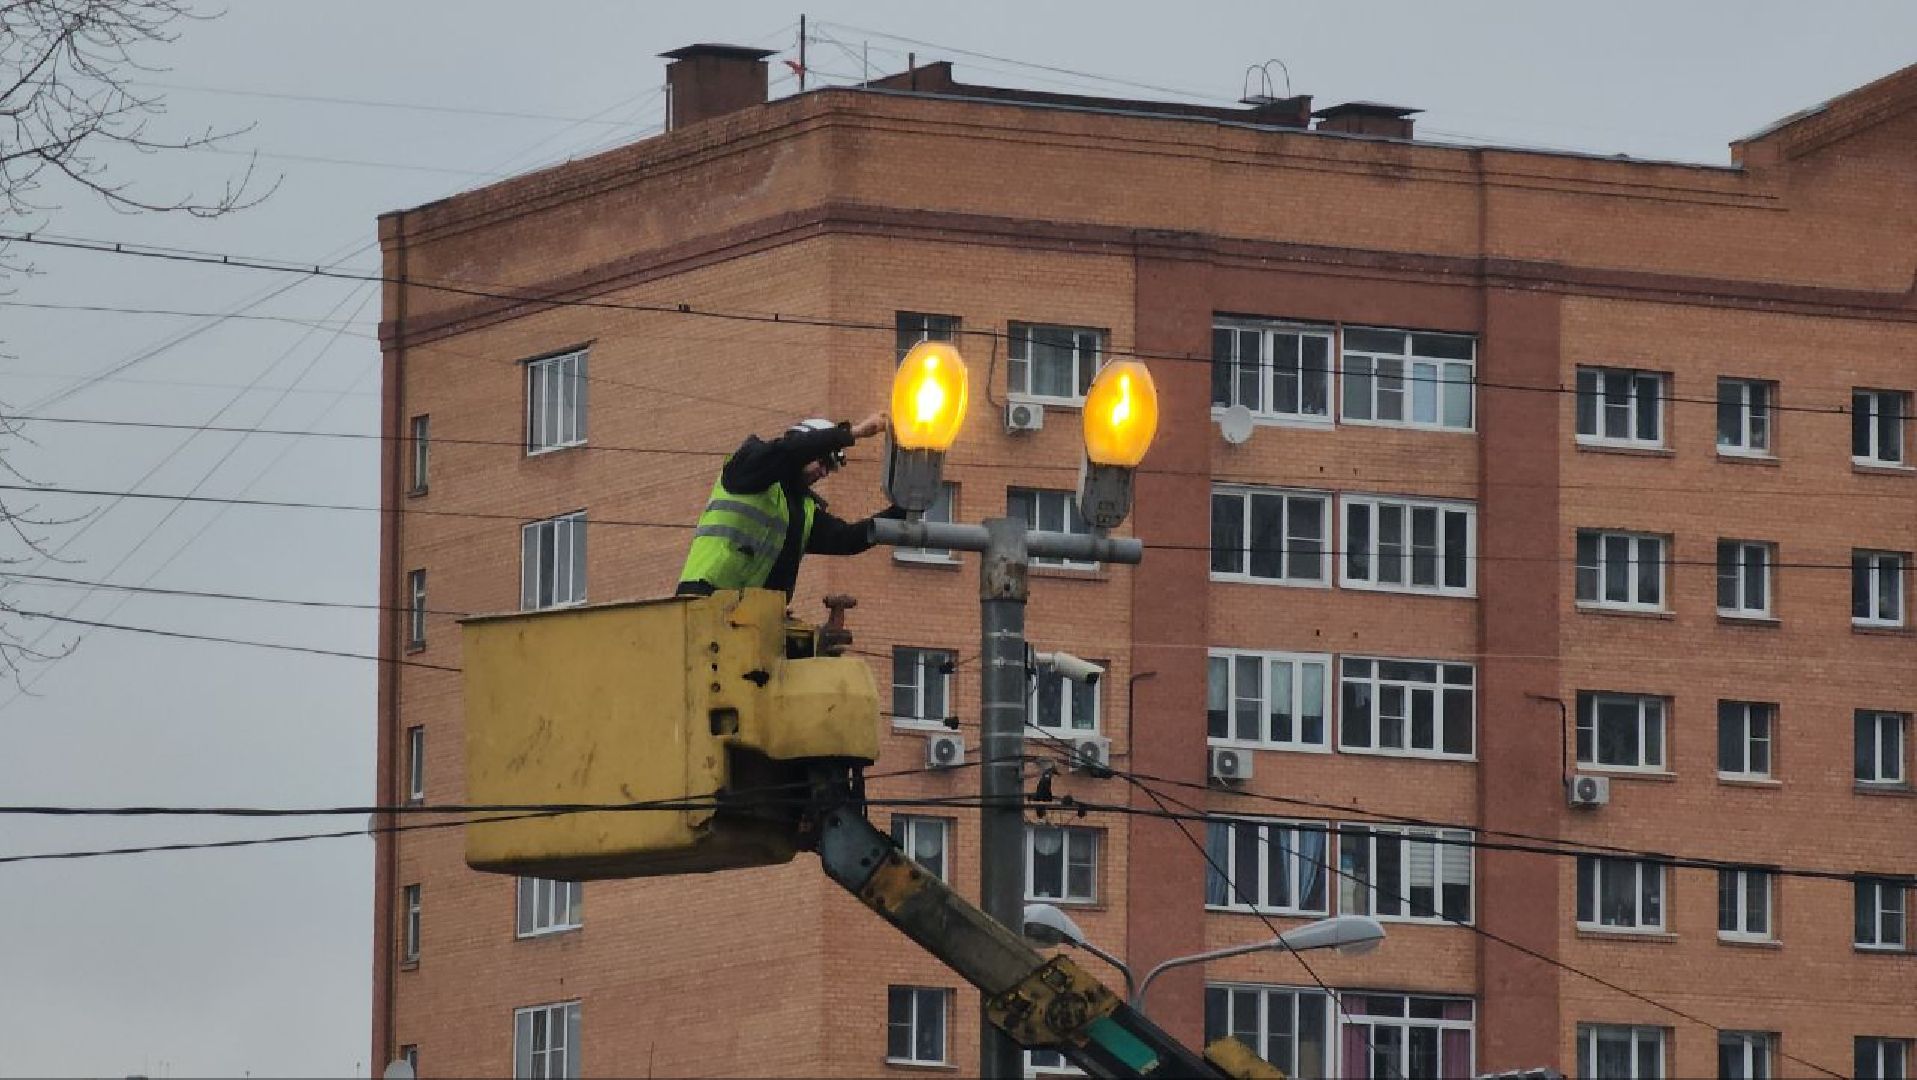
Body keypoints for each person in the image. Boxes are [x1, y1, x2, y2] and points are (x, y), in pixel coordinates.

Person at [677, 413, 895, 599]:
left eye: (829, 468)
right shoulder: (749, 467)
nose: (823, 473)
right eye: (822, 462)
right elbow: (788, 452)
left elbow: (848, 538)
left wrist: (905, 509)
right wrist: (852, 433)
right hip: (704, 595)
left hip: (752, 616)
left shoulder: (801, 511)